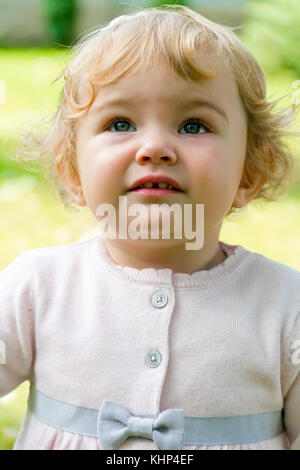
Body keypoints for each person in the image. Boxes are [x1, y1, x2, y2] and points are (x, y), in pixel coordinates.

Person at [1, 5, 300, 450]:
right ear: (72, 171)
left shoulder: (283, 304)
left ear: (249, 173)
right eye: (120, 123)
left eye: (193, 125)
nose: (155, 147)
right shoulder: (39, 289)